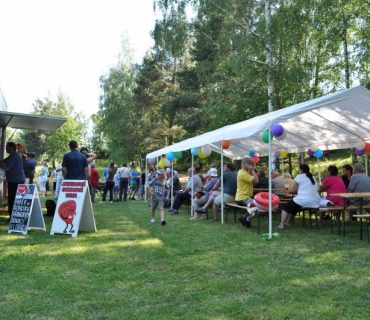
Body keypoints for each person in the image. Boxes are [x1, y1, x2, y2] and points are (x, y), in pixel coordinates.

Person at [277, 164, 320, 229]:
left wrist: (289, 191)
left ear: (301, 170)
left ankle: (281, 225)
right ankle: (288, 222)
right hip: (315, 200)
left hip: (303, 199)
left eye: (299, 169)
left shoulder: (299, 176)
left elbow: (294, 190)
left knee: (285, 207)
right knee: (294, 206)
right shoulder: (312, 177)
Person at [0, 142, 25, 219]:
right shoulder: (12, 156)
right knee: (12, 198)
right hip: (15, 180)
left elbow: (7, 168)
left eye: (7, 147)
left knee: (12, 199)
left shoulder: (14, 156)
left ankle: (13, 216)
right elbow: (3, 161)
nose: (6, 149)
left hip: (15, 181)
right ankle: (13, 215)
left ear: (11, 148)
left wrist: (0, 165)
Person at [235, 158, 259, 228]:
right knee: (257, 208)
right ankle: (247, 219)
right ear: (246, 165)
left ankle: (243, 218)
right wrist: (253, 171)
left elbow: (254, 182)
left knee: (251, 207)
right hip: (243, 198)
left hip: (243, 197)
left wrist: (251, 171)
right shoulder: (243, 173)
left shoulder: (244, 172)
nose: (252, 166)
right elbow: (256, 180)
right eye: (251, 165)